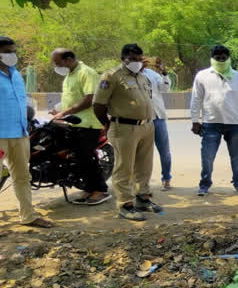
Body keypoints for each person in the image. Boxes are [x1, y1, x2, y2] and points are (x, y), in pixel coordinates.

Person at [0, 36, 54, 239]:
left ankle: (28, 216)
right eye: (7, 51)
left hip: (19, 135)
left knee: (22, 177)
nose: (13, 55)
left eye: (13, 51)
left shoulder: (15, 74)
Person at [93, 43, 161, 221]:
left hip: (146, 126)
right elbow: (98, 104)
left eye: (139, 59)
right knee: (124, 168)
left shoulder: (143, 77)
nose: (136, 62)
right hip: (123, 127)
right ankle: (125, 204)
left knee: (144, 166)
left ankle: (143, 198)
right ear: (123, 59)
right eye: (132, 59)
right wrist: (106, 124)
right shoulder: (112, 76)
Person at [50, 48, 111, 205]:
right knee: (77, 158)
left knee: (86, 157)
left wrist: (65, 112)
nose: (56, 66)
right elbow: (72, 97)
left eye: (58, 63)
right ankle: (90, 188)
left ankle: (100, 190)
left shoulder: (86, 72)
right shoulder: (70, 74)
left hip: (88, 123)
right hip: (73, 122)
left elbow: (90, 99)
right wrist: (58, 111)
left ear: (69, 59)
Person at [190, 45, 238, 196]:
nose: (221, 61)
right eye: (218, 58)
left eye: (224, 58)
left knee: (237, 157)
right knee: (207, 157)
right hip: (211, 123)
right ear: (212, 59)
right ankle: (204, 184)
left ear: (228, 59)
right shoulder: (202, 76)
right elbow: (196, 99)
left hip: (235, 124)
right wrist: (195, 120)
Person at [142, 57, 173, 191]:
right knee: (141, 153)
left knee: (164, 151)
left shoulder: (153, 74)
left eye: (142, 59)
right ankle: (142, 182)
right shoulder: (127, 76)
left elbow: (165, 88)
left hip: (158, 117)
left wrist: (164, 73)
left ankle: (166, 178)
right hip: (141, 119)